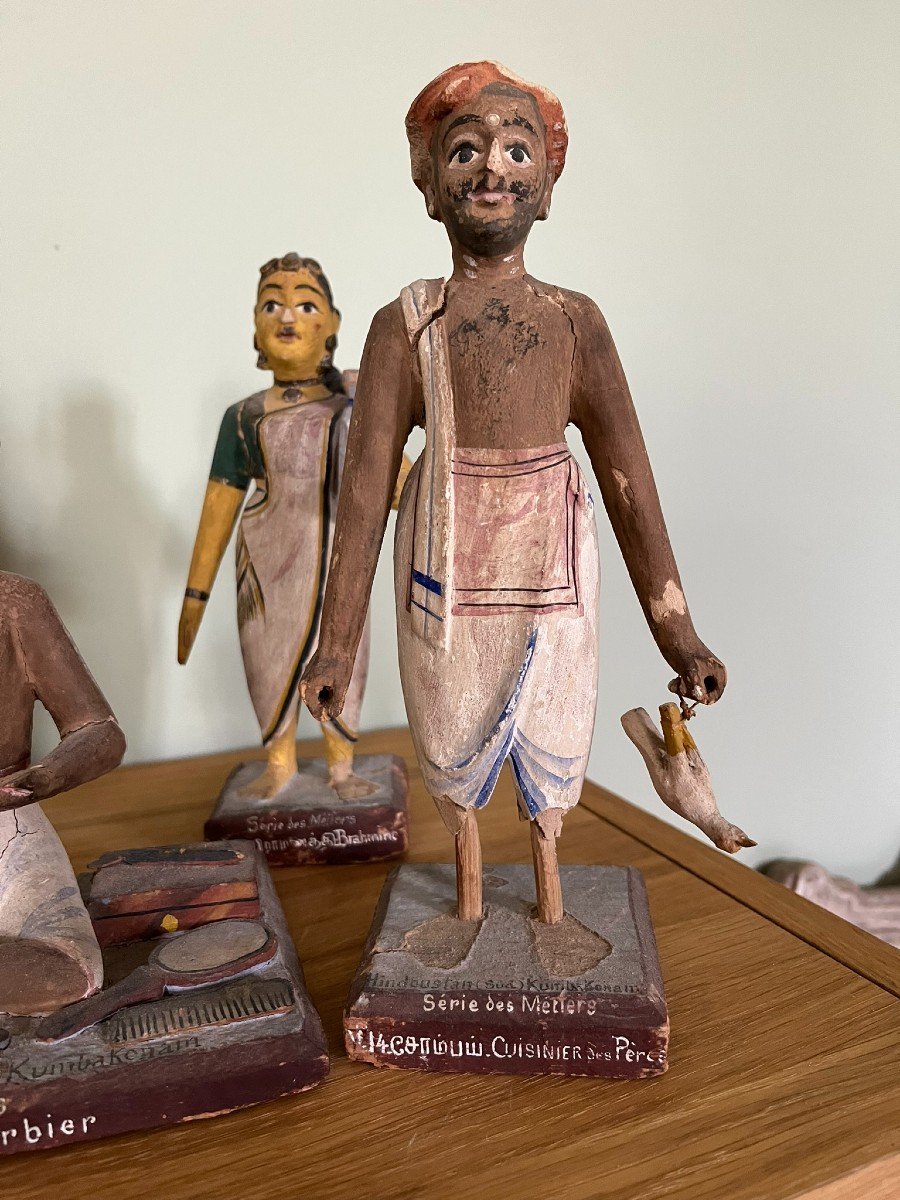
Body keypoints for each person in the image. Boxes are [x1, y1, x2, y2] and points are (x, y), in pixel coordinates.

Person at [302, 63, 726, 925]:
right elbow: (362, 496)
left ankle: (552, 903)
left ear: (547, 185)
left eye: (516, 149)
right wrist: (335, 648)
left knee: (553, 726)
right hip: (444, 571)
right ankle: (464, 904)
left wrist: (678, 632)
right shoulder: (405, 324)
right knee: (453, 728)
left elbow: (630, 483)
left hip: (550, 563)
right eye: (464, 151)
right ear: (429, 186)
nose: (492, 167)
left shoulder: (575, 322)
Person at [179, 254, 380, 801]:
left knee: (345, 656)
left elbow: (393, 482)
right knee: (267, 662)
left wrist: (378, 414)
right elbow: (219, 504)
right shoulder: (243, 416)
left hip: (338, 555)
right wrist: (194, 597)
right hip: (264, 563)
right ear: (255, 328)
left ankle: (341, 766)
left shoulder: (353, 404)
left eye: (305, 304)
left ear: (332, 324)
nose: (287, 316)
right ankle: (280, 761)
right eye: (272, 303)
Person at [0, 570, 125, 1014]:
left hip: (8, 826)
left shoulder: (14, 602)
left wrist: (46, 775)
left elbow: (99, 732)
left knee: (71, 969)